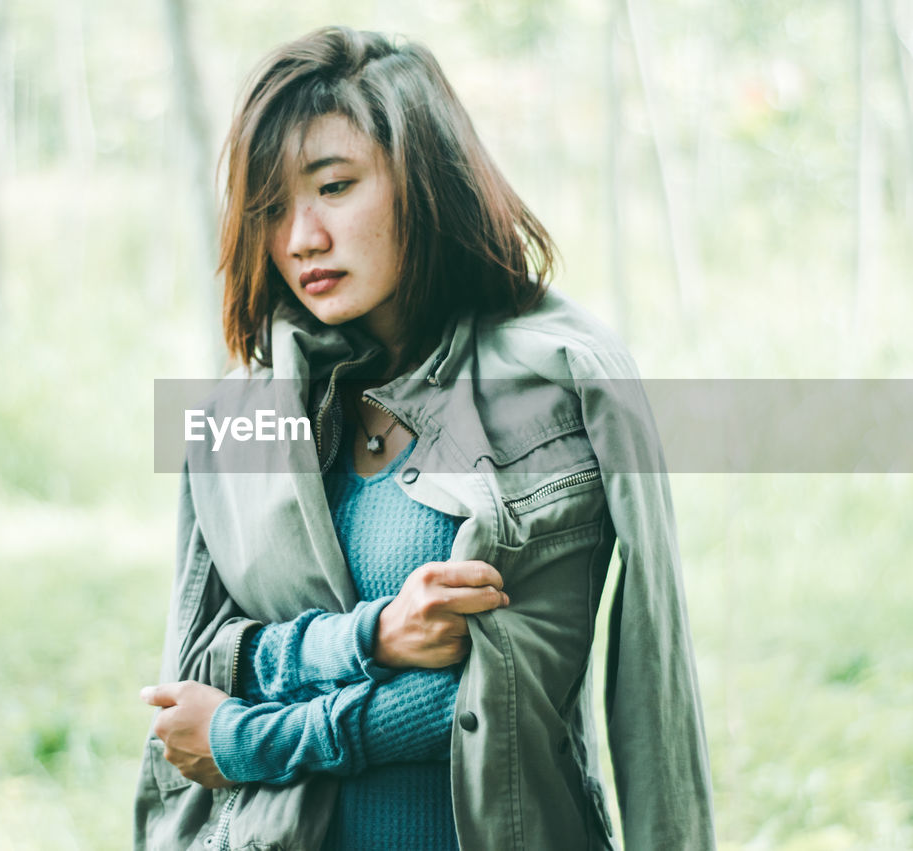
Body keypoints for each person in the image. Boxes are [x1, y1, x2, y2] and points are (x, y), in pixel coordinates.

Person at [134, 26, 715, 850]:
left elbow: (501, 698)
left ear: (425, 181)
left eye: (334, 186)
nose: (300, 237)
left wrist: (247, 738)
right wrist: (370, 636)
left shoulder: (555, 384)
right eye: (270, 207)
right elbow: (192, 686)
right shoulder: (239, 417)